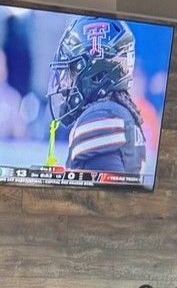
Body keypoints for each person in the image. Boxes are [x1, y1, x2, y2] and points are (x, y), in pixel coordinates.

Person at [46, 16, 148, 176]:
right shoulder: (118, 111)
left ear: (96, 73)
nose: (65, 82)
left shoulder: (101, 117)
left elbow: (103, 191)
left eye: (72, 70)